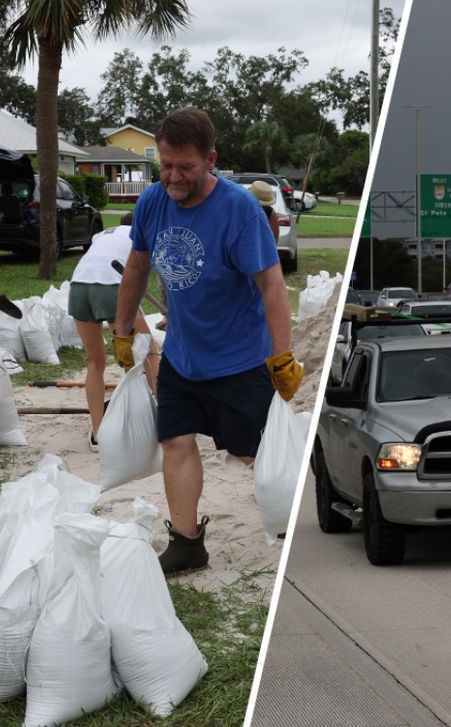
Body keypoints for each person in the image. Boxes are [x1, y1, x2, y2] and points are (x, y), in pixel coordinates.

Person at [112, 107, 303, 575]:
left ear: (210, 159)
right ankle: (187, 543)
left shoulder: (238, 209)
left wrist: (282, 356)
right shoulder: (153, 201)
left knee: (256, 453)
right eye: (166, 165)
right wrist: (120, 331)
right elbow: (136, 267)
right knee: (176, 441)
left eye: (186, 167)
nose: (174, 177)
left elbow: (272, 285)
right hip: (182, 355)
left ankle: (302, 527)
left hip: (239, 361)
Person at [68, 211, 158, 450]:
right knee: (149, 350)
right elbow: (139, 275)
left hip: (78, 287)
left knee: (95, 362)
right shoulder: (140, 236)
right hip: (112, 285)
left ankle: (98, 434)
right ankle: (163, 418)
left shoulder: (101, 235)